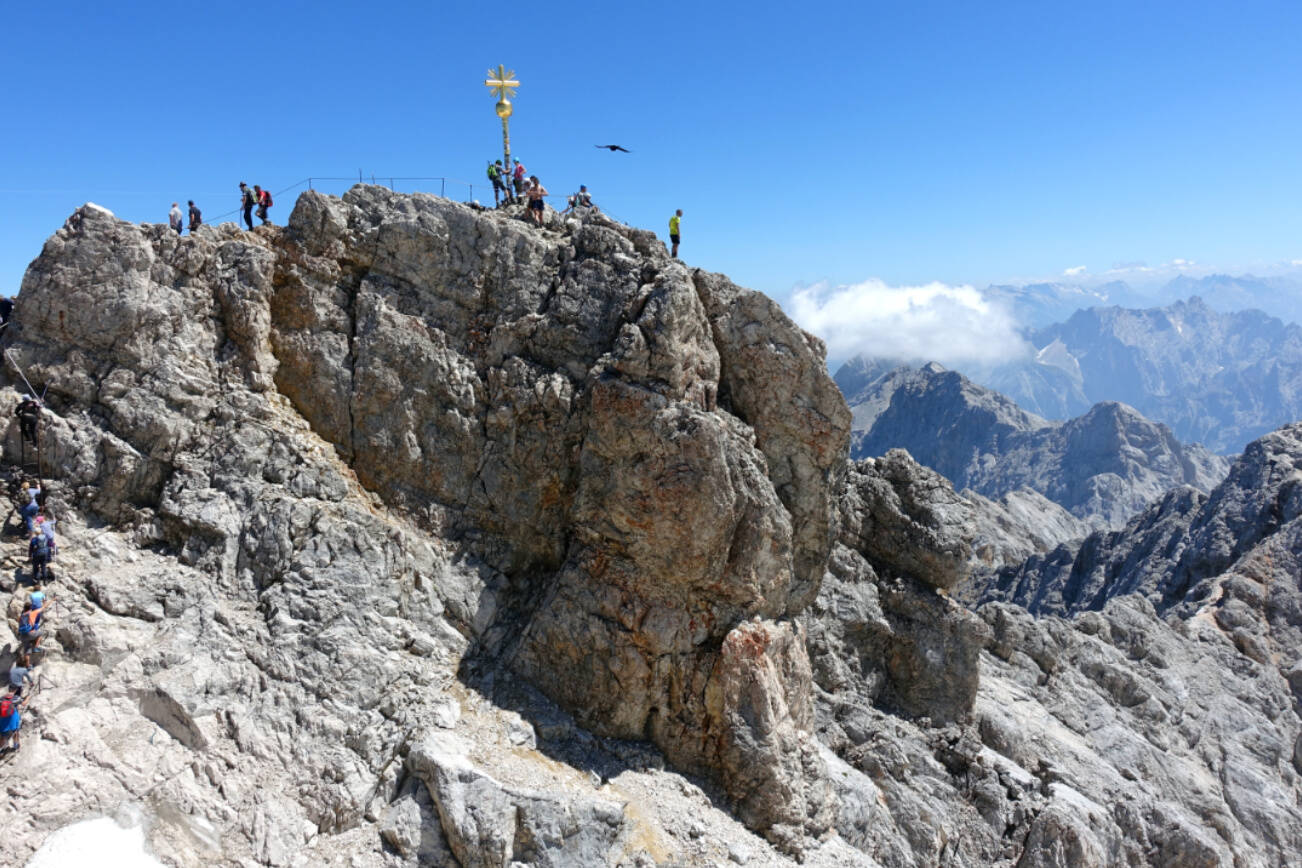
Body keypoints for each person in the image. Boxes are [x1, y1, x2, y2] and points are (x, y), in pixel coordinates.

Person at [0, 687, 23, 753]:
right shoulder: (16, 698)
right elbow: (24, 703)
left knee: (3, 736)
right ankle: (16, 746)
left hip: (2, 722)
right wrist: (28, 697)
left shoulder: (2, 699)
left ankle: (1, 750)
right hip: (13, 722)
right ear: (15, 690)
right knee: (15, 733)